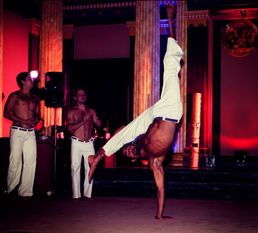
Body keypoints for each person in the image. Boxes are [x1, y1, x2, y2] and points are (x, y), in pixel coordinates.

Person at [88, 4, 183, 220]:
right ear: (133, 160)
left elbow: (123, 131)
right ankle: (171, 18)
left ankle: (98, 156)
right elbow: (161, 189)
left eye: (127, 149)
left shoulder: (139, 138)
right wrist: (160, 215)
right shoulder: (154, 160)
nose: (129, 151)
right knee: (171, 64)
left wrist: (123, 142)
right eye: (128, 154)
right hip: (171, 110)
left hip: (156, 113)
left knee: (128, 130)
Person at [3, 72, 40, 199]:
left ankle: (25, 192)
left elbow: (37, 115)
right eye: (29, 79)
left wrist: (37, 120)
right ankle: (10, 189)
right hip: (18, 131)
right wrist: (24, 121)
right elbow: (6, 113)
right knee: (15, 161)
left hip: (31, 133)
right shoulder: (15, 95)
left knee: (31, 161)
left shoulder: (35, 98)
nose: (32, 81)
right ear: (22, 82)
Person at [66, 88, 102, 199]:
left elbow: (98, 124)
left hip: (89, 143)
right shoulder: (72, 111)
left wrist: (98, 122)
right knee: (75, 167)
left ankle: (87, 194)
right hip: (76, 142)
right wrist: (82, 122)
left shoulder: (91, 111)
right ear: (75, 97)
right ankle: (76, 195)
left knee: (90, 167)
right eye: (80, 94)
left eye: (84, 94)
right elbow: (69, 128)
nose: (82, 96)